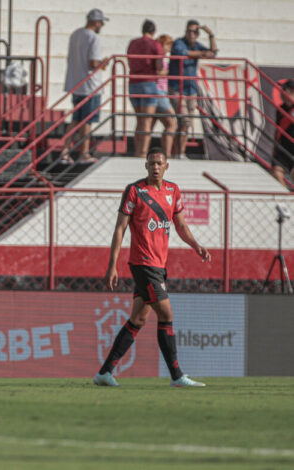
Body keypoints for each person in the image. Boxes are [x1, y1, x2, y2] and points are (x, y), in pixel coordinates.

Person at [94, 147, 211, 388]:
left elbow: (180, 225)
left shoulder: (173, 191)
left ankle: (104, 373)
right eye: (151, 163)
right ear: (145, 166)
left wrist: (196, 245)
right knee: (166, 314)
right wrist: (112, 266)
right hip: (143, 263)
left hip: (159, 264)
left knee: (138, 318)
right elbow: (120, 228)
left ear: (166, 166)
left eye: (159, 163)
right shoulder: (135, 191)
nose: (155, 167)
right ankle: (177, 376)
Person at [60, 8, 109, 164]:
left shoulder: (75, 34)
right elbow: (93, 63)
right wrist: (104, 63)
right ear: (96, 22)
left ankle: (65, 151)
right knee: (86, 121)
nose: (101, 25)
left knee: (75, 120)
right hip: (90, 86)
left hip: (76, 83)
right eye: (101, 22)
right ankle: (84, 153)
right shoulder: (94, 38)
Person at [168, 20, 218, 159]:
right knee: (183, 121)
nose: (191, 34)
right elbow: (183, 53)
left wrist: (211, 35)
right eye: (189, 31)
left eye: (195, 31)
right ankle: (179, 153)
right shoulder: (179, 42)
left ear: (198, 34)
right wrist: (202, 53)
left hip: (190, 89)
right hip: (177, 88)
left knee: (187, 123)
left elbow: (213, 53)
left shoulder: (197, 46)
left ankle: (179, 152)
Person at [127, 20, 175, 158]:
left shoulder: (133, 43)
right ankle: (142, 153)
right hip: (149, 83)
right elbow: (159, 66)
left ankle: (138, 152)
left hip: (133, 83)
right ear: (154, 31)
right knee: (147, 121)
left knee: (140, 120)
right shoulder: (154, 44)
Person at [153, 34, 177, 155]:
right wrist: (170, 71)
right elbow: (158, 73)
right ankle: (166, 154)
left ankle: (142, 152)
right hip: (159, 92)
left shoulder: (160, 58)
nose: (169, 48)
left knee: (148, 124)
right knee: (171, 123)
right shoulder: (159, 58)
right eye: (167, 45)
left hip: (159, 92)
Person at [272, 78, 294, 187]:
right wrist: (274, 148)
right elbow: (278, 129)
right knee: (277, 172)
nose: (282, 93)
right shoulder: (281, 109)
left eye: (285, 90)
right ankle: (288, 200)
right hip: (284, 148)